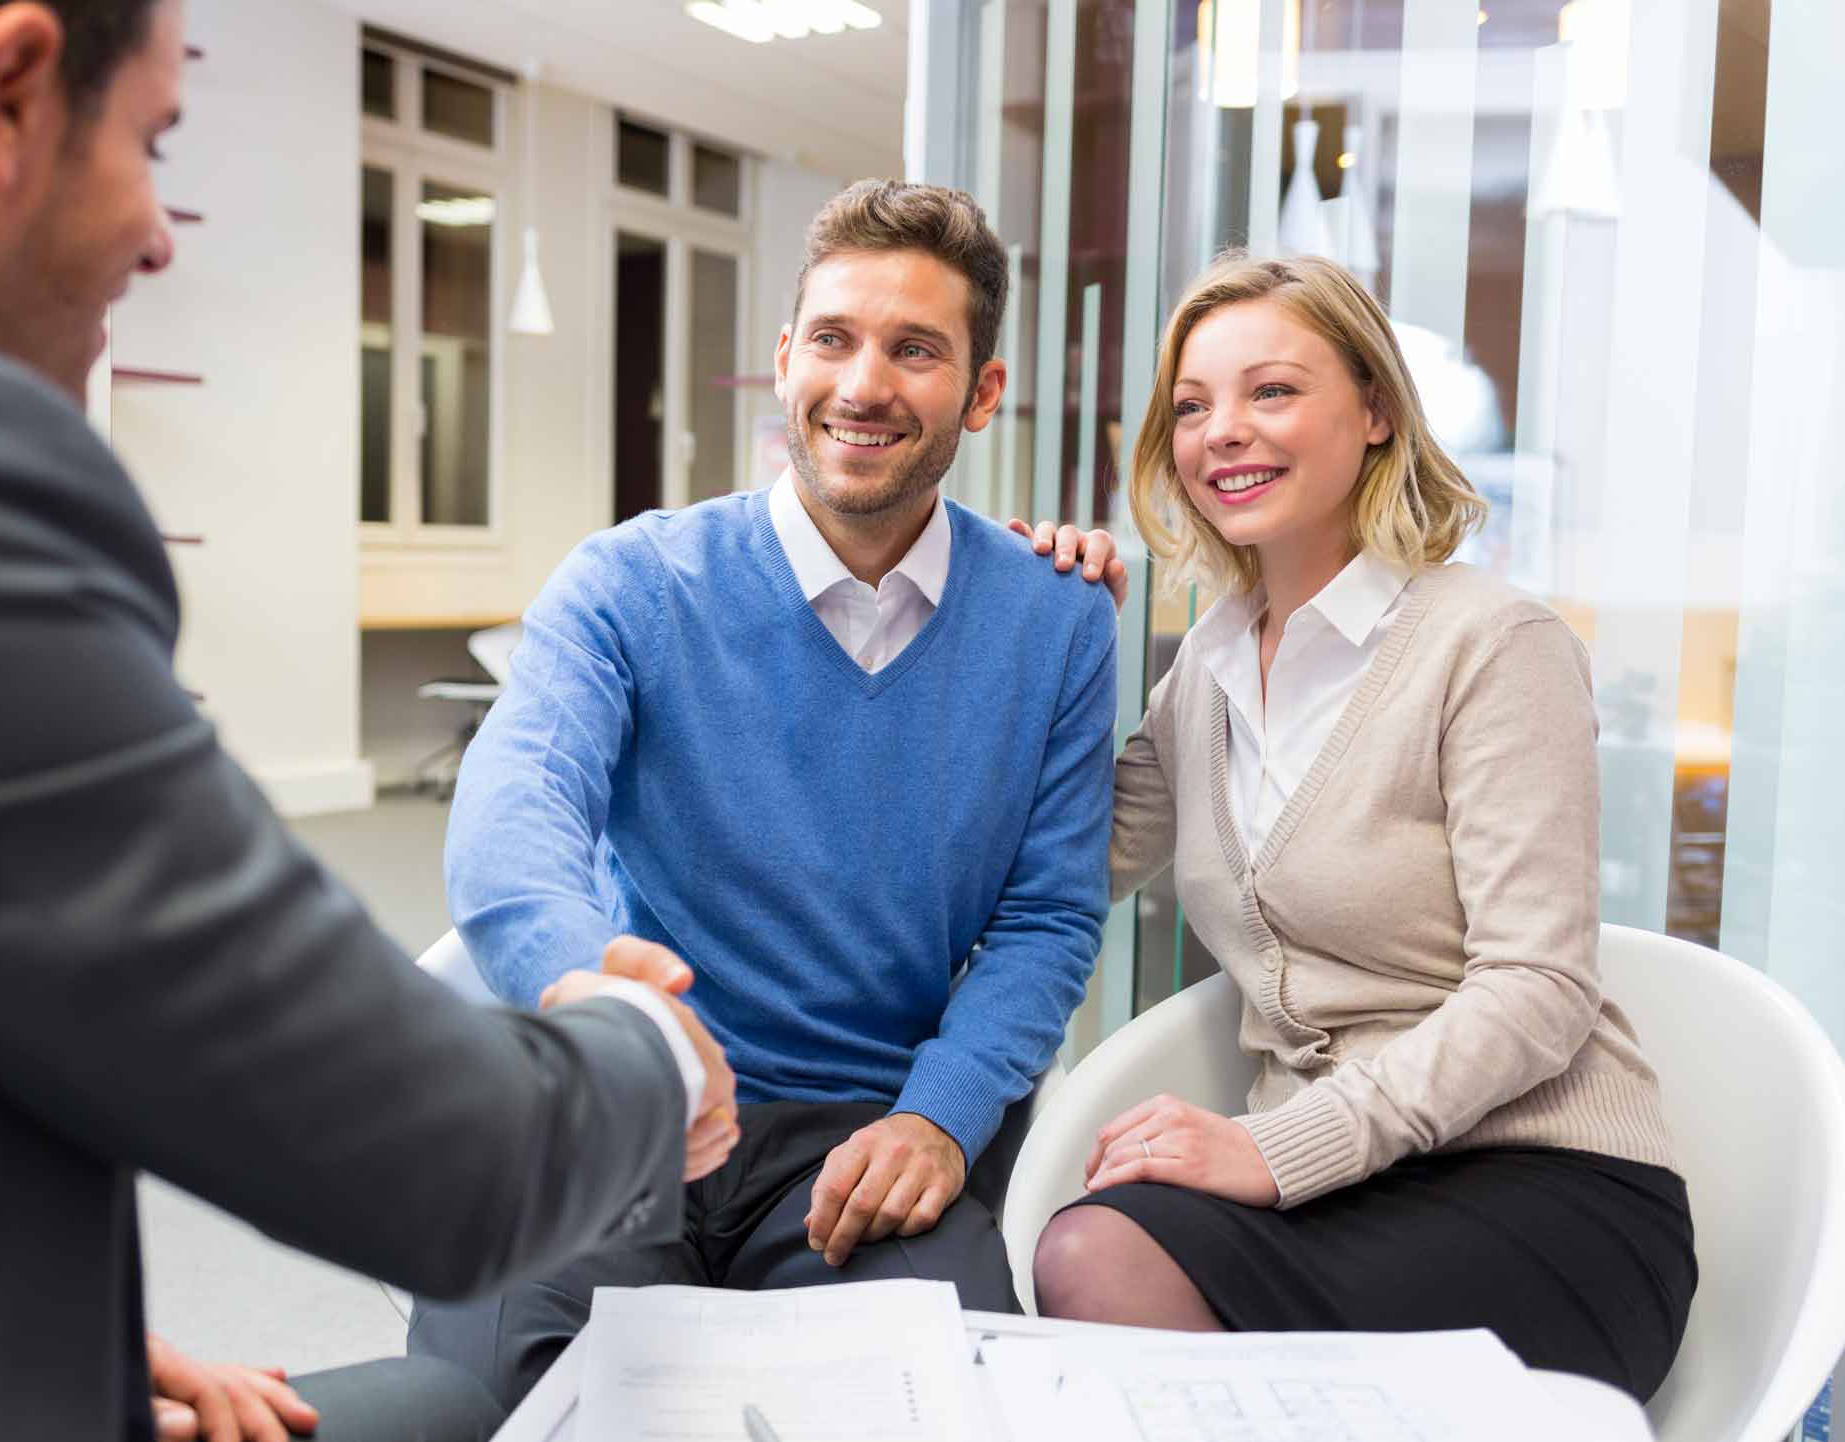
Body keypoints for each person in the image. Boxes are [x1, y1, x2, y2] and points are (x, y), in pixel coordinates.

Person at [0, 4, 741, 1440]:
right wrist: (653, 1045)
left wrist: (92, 1324)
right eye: (151, 143)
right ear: (6, 92)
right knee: (442, 1406)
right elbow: (441, 1159)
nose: (160, 232)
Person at [410, 179, 1123, 1410]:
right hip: (636, 1097)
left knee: (952, 1404)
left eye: (915, 349)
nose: (863, 383)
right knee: (520, 1396)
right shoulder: (631, 580)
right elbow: (513, 802)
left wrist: (942, 1120)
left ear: (983, 392)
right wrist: (588, 993)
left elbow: (1047, 917)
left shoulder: (1057, 620)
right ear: (785, 356)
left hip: (868, 1127)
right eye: (835, 338)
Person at [1025, 252, 1696, 1400]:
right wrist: (1023, 624)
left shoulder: (1490, 643)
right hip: (1332, 1196)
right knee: (1088, 1247)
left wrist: (1268, 1148)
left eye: (1270, 391)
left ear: (1375, 411)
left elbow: (1535, 985)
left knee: (1098, 1256)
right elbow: (1055, 857)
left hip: (1538, 1183)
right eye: (1191, 406)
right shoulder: (1210, 668)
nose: (1220, 431)